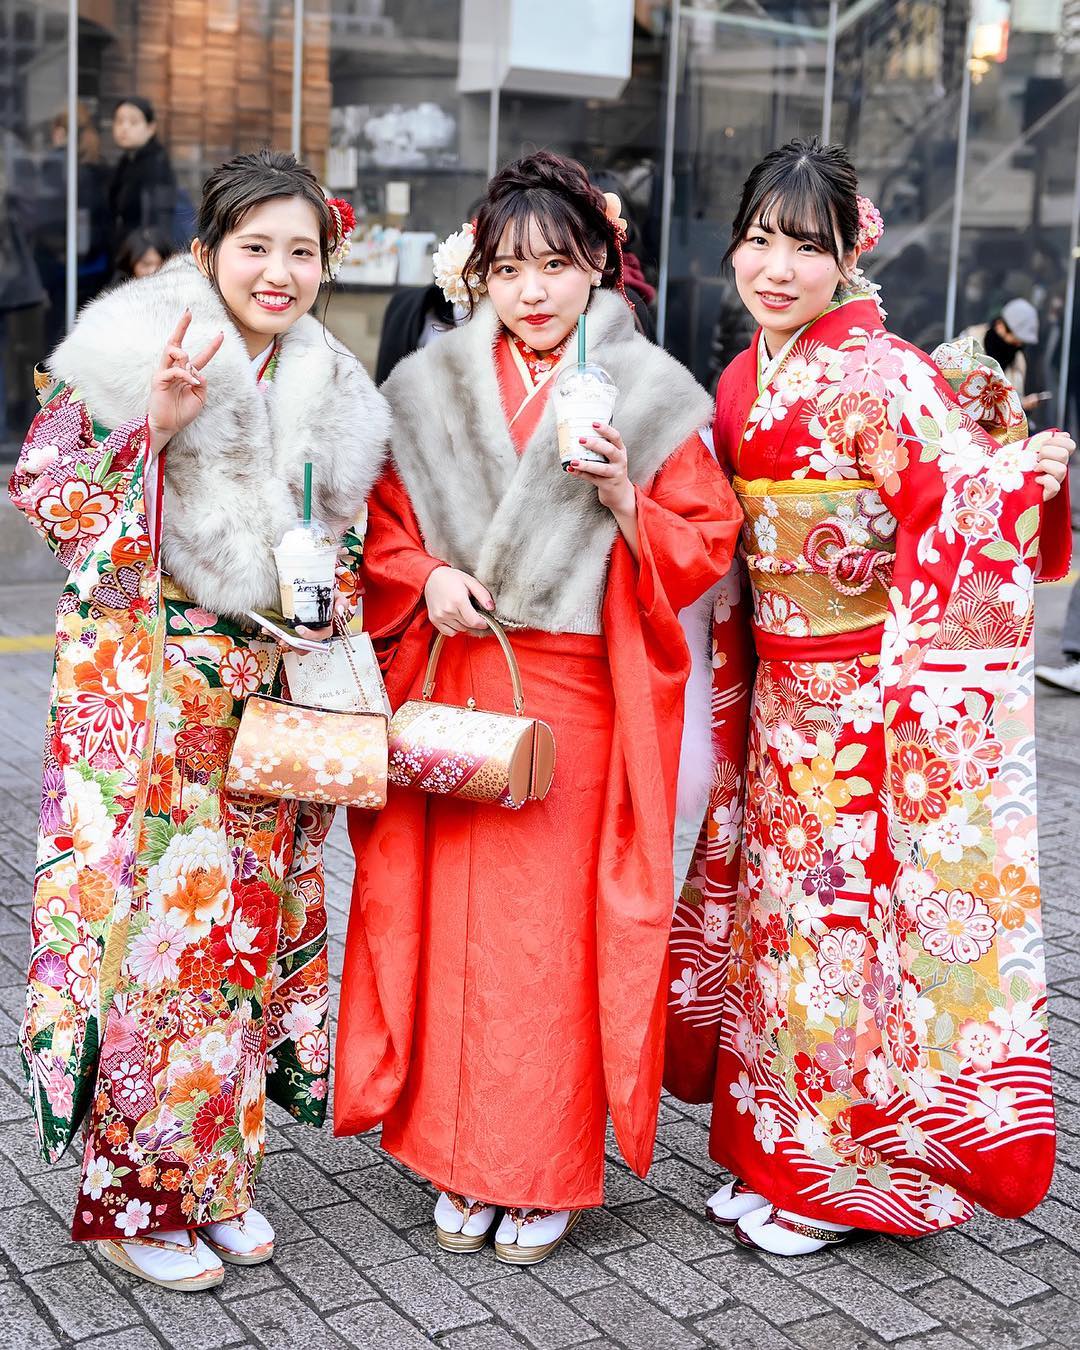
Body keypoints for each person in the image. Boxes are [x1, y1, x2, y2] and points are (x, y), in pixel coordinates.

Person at [664, 138, 1074, 1256]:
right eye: (760, 240)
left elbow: (956, 510)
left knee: (848, 942)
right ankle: (778, 1156)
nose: (778, 267)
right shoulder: (749, 375)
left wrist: (1016, 486)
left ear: (851, 254)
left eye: (808, 245)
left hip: (865, 709)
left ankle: (859, 1178)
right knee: (779, 936)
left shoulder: (885, 373)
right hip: (780, 702)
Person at [335, 149, 741, 1264]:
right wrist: (427, 582)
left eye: (557, 264)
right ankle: (458, 1157)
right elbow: (383, 529)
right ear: (478, 274)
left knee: (552, 942)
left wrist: (620, 492)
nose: (532, 289)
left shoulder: (653, 392)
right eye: (508, 266)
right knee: (455, 931)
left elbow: (705, 544)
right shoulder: (428, 384)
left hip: (575, 701)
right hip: (462, 683)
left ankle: (543, 1169)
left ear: (601, 266)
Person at [9, 149, 389, 1291]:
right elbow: (49, 498)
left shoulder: (333, 383)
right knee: (163, 945)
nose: (278, 272)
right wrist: (154, 431)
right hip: (158, 696)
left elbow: (348, 549)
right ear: (208, 248)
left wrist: (328, 600)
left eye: (302, 252)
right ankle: (134, 1198)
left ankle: (215, 1184)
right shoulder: (134, 350)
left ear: (330, 262)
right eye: (255, 247)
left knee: (249, 944)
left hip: (271, 698)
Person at [108, 97, 178, 252]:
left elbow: (159, 219)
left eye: (133, 122)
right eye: (119, 121)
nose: (124, 128)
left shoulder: (156, 165)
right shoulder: (126, 162)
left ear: (151, 128)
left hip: (145, 256)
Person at [963, 297, 1047, 414]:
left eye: (1021, 342)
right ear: (1000, 326)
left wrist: (1022, 405)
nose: (1018, 345)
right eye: (1015, 339)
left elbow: (1013, 400)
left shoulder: (1018, 361)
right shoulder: (968, 343)